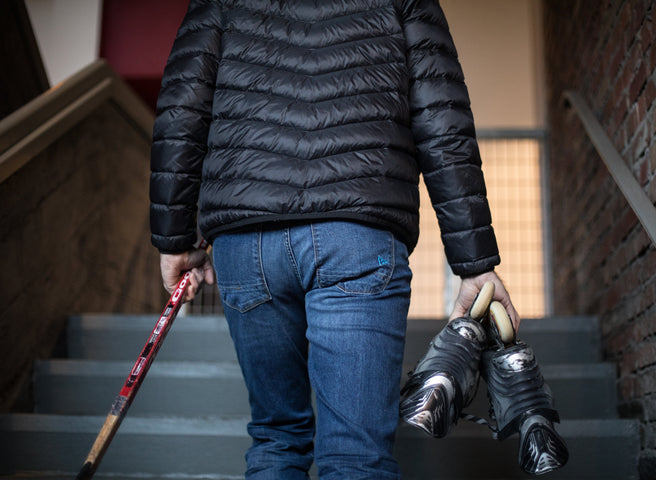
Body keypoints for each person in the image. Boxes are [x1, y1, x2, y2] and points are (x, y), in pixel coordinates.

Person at [150, 1, 518, 478]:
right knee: (356, 455)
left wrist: (175, 239)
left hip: (249, 240)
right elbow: (443, 123)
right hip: (358, 235)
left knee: (276, 437)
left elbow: (183, 110)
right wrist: (475, 264)